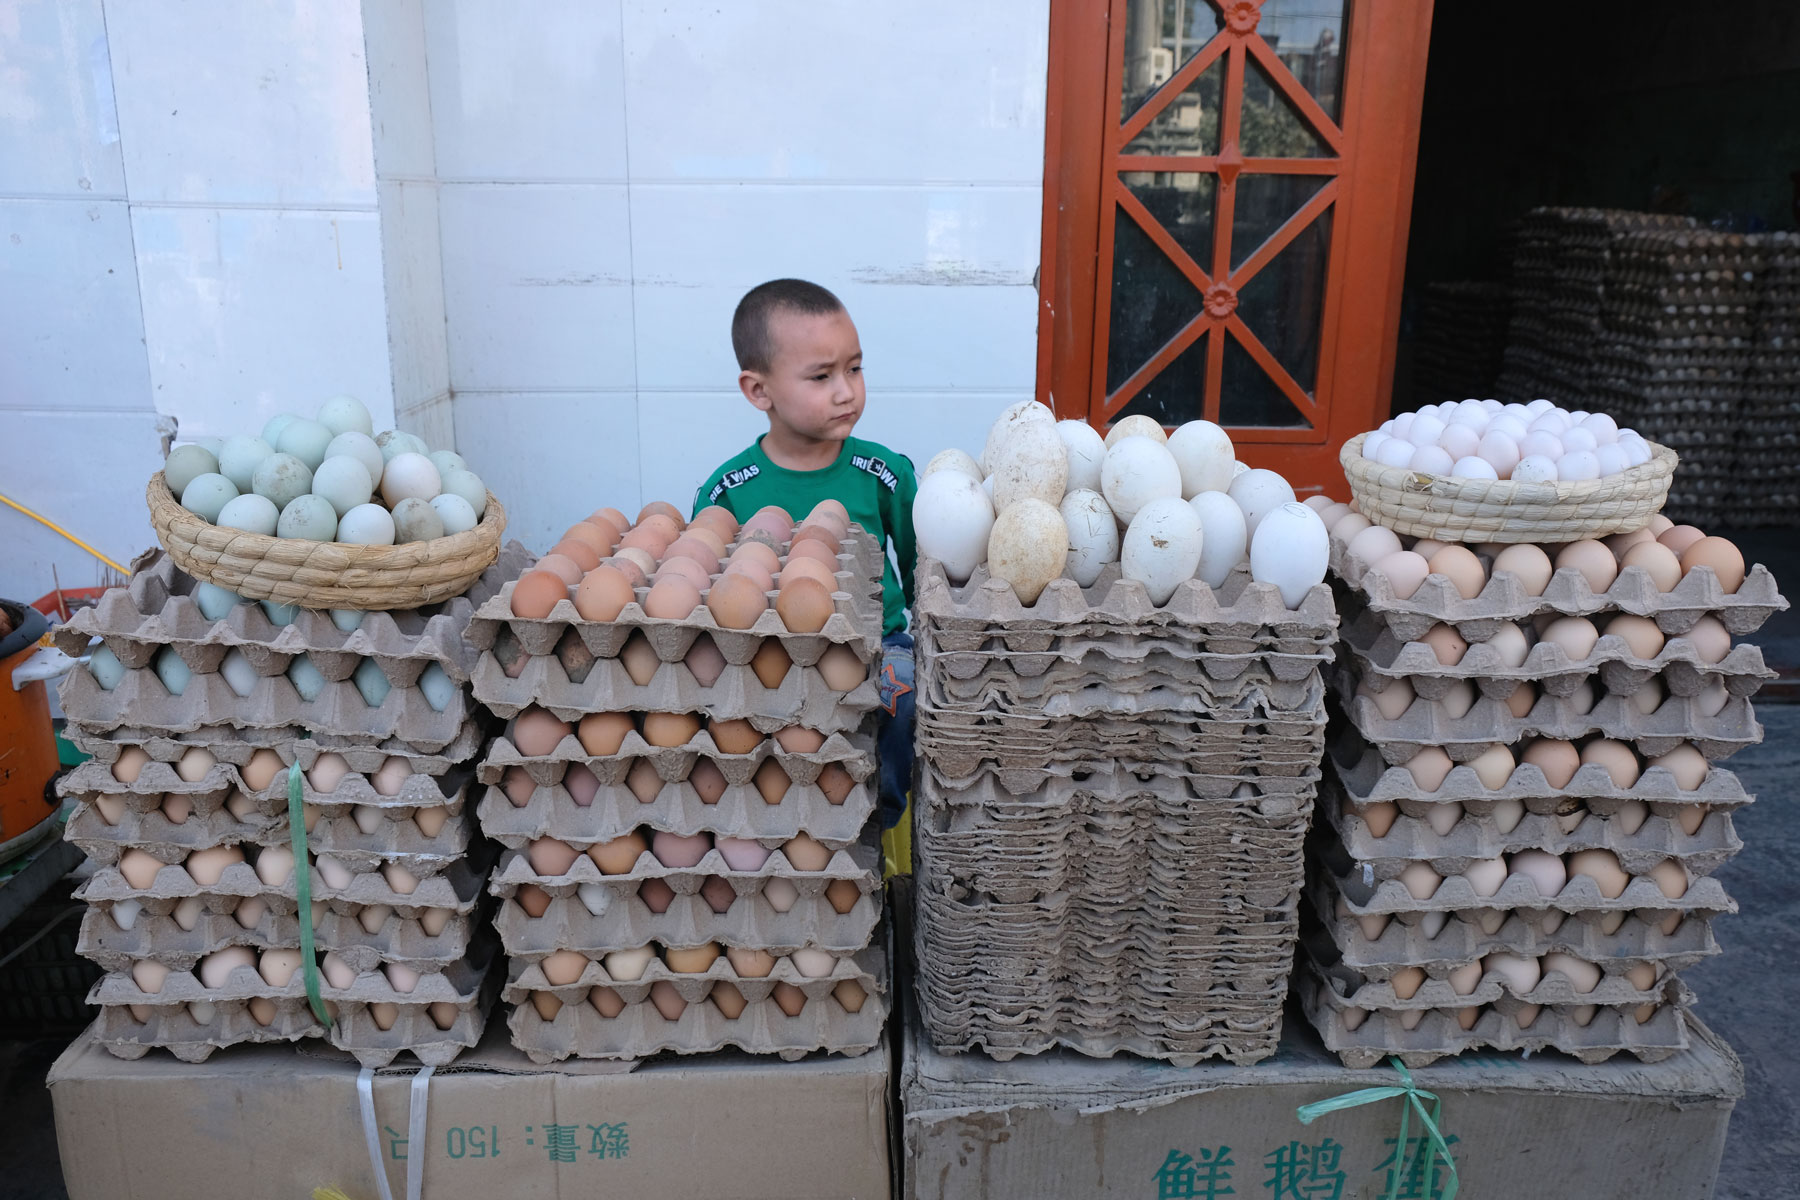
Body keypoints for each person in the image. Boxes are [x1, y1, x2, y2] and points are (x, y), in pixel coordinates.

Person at [692, 279, 918, 871]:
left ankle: (880, 815)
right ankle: (769, 831)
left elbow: (925, 576)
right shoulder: (729, 490)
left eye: (855, 369)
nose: (847, 392)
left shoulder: (882, 472)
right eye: (822, 377)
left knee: (901, 694)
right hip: (770, 656)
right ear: (758, 390)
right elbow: (707, 591)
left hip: (876, 646)